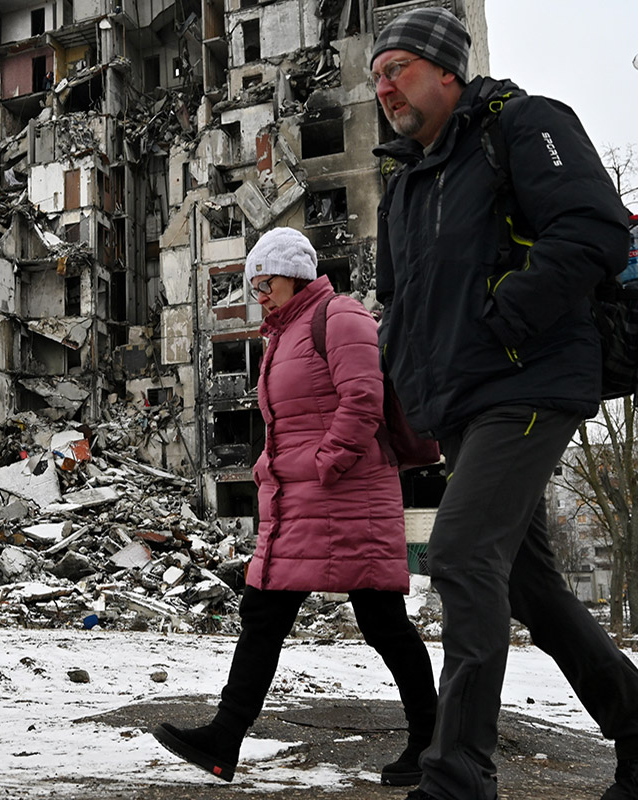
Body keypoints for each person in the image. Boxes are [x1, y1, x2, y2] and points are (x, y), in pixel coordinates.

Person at [369, 9, 638, 800]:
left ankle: (458, 774)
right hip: (458, 399)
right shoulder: (408, 181)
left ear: (449, 70)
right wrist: (402, 389)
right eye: (377, 76)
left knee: (459, 552)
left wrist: (507, 316)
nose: (384, 87)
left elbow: (590, 227)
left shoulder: (524, 123)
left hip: (528, 378)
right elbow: (398, 302)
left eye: (400, 68)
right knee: (526, 584)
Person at [153, 227, 438, 786]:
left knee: (382, 623)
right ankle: (224, 738)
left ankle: (431, 739)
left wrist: (327, 462)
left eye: (268, 279)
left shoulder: (340, 315)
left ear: (297, 273)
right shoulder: (281, 334)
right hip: (299, 499)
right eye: (253, 281)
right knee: (262, 615)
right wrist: (277, 468)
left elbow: (363, 397)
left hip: (349, 497)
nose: (259, 290)